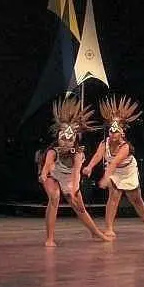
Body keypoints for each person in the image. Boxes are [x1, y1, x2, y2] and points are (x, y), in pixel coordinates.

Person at [82, 95, 144, 238]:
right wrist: (89, 167)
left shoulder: (125, 147)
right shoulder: (103, 143)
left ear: (122, 132)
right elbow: (98, 156)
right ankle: (109, 228)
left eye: (116, 131)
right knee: (114, 195)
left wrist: (105, 178)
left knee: (136, 199)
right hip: (113, 172)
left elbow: (115, 162)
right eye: (111, 130)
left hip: (127, 171)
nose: (113, 133)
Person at [38, 96, 111, 246]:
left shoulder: (78, 154)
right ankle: (49, 238)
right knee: (55, 197)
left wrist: (74, 190)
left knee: (79, 206)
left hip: (69, 177)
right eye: (63, 138)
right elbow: (48, 165)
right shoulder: (53, 151)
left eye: (69, 140)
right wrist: (44, 174)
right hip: (52, 174)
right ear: (58, 136)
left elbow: (77, 173)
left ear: (74, 140)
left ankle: (95, 233)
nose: (65, 142)